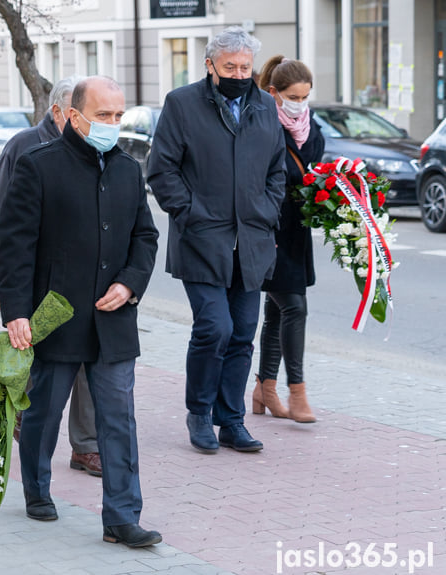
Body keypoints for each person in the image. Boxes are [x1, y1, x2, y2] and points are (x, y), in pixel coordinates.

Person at [0, 76, 161, 547]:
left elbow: (144, 237)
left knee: (118, 419)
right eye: (103, 115)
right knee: (44, 412)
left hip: (113, 319)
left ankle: (122, 517)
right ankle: (36, 487)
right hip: (55, 317)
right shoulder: (37, 166)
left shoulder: (129, 169)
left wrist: (130, 282)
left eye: (118, 116)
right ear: (73, 116)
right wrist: (16, 312)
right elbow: (16, 246)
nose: (113, 124)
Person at [147, 26, 286, 454]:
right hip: (201, 240)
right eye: (230, 67)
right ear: (210, 66)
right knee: (215, 327)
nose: (240, 73)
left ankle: (232, 422)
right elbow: (161, 170)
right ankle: (200, 413)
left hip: (251, 242)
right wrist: (192, 214)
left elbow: (276, 171)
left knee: (243, 331)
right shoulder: (182, 104)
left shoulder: (264, 105)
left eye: (246, 67)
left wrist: (266, 212)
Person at [0, 76, 103, 477]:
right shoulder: (24, 146)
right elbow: (0, 220)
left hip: (84, 286)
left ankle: (86, 445)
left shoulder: (96, 152)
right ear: (58, 112)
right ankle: (29, 427)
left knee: (88, 364)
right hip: (36, 282)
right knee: (42, 364)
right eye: (79, 111)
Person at [253, 56, 323, 424]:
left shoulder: (312, 127)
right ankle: (297, 391)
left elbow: (314, 173)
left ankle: (264, 387)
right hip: (269, 231)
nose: (300, 102)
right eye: (293, 96)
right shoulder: (262, 126)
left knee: (277, 311)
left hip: (297, 232)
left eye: (306, 95)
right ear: (274, 93)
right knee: (294, 306)